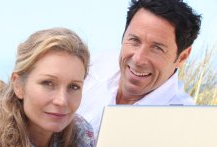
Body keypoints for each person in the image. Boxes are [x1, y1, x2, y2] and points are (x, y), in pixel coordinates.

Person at [78, 0, 202, 137]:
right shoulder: (91, 66)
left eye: (157, 48)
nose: (138, 59)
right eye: (134, 40)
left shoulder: (185, 126)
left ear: (182, 57)